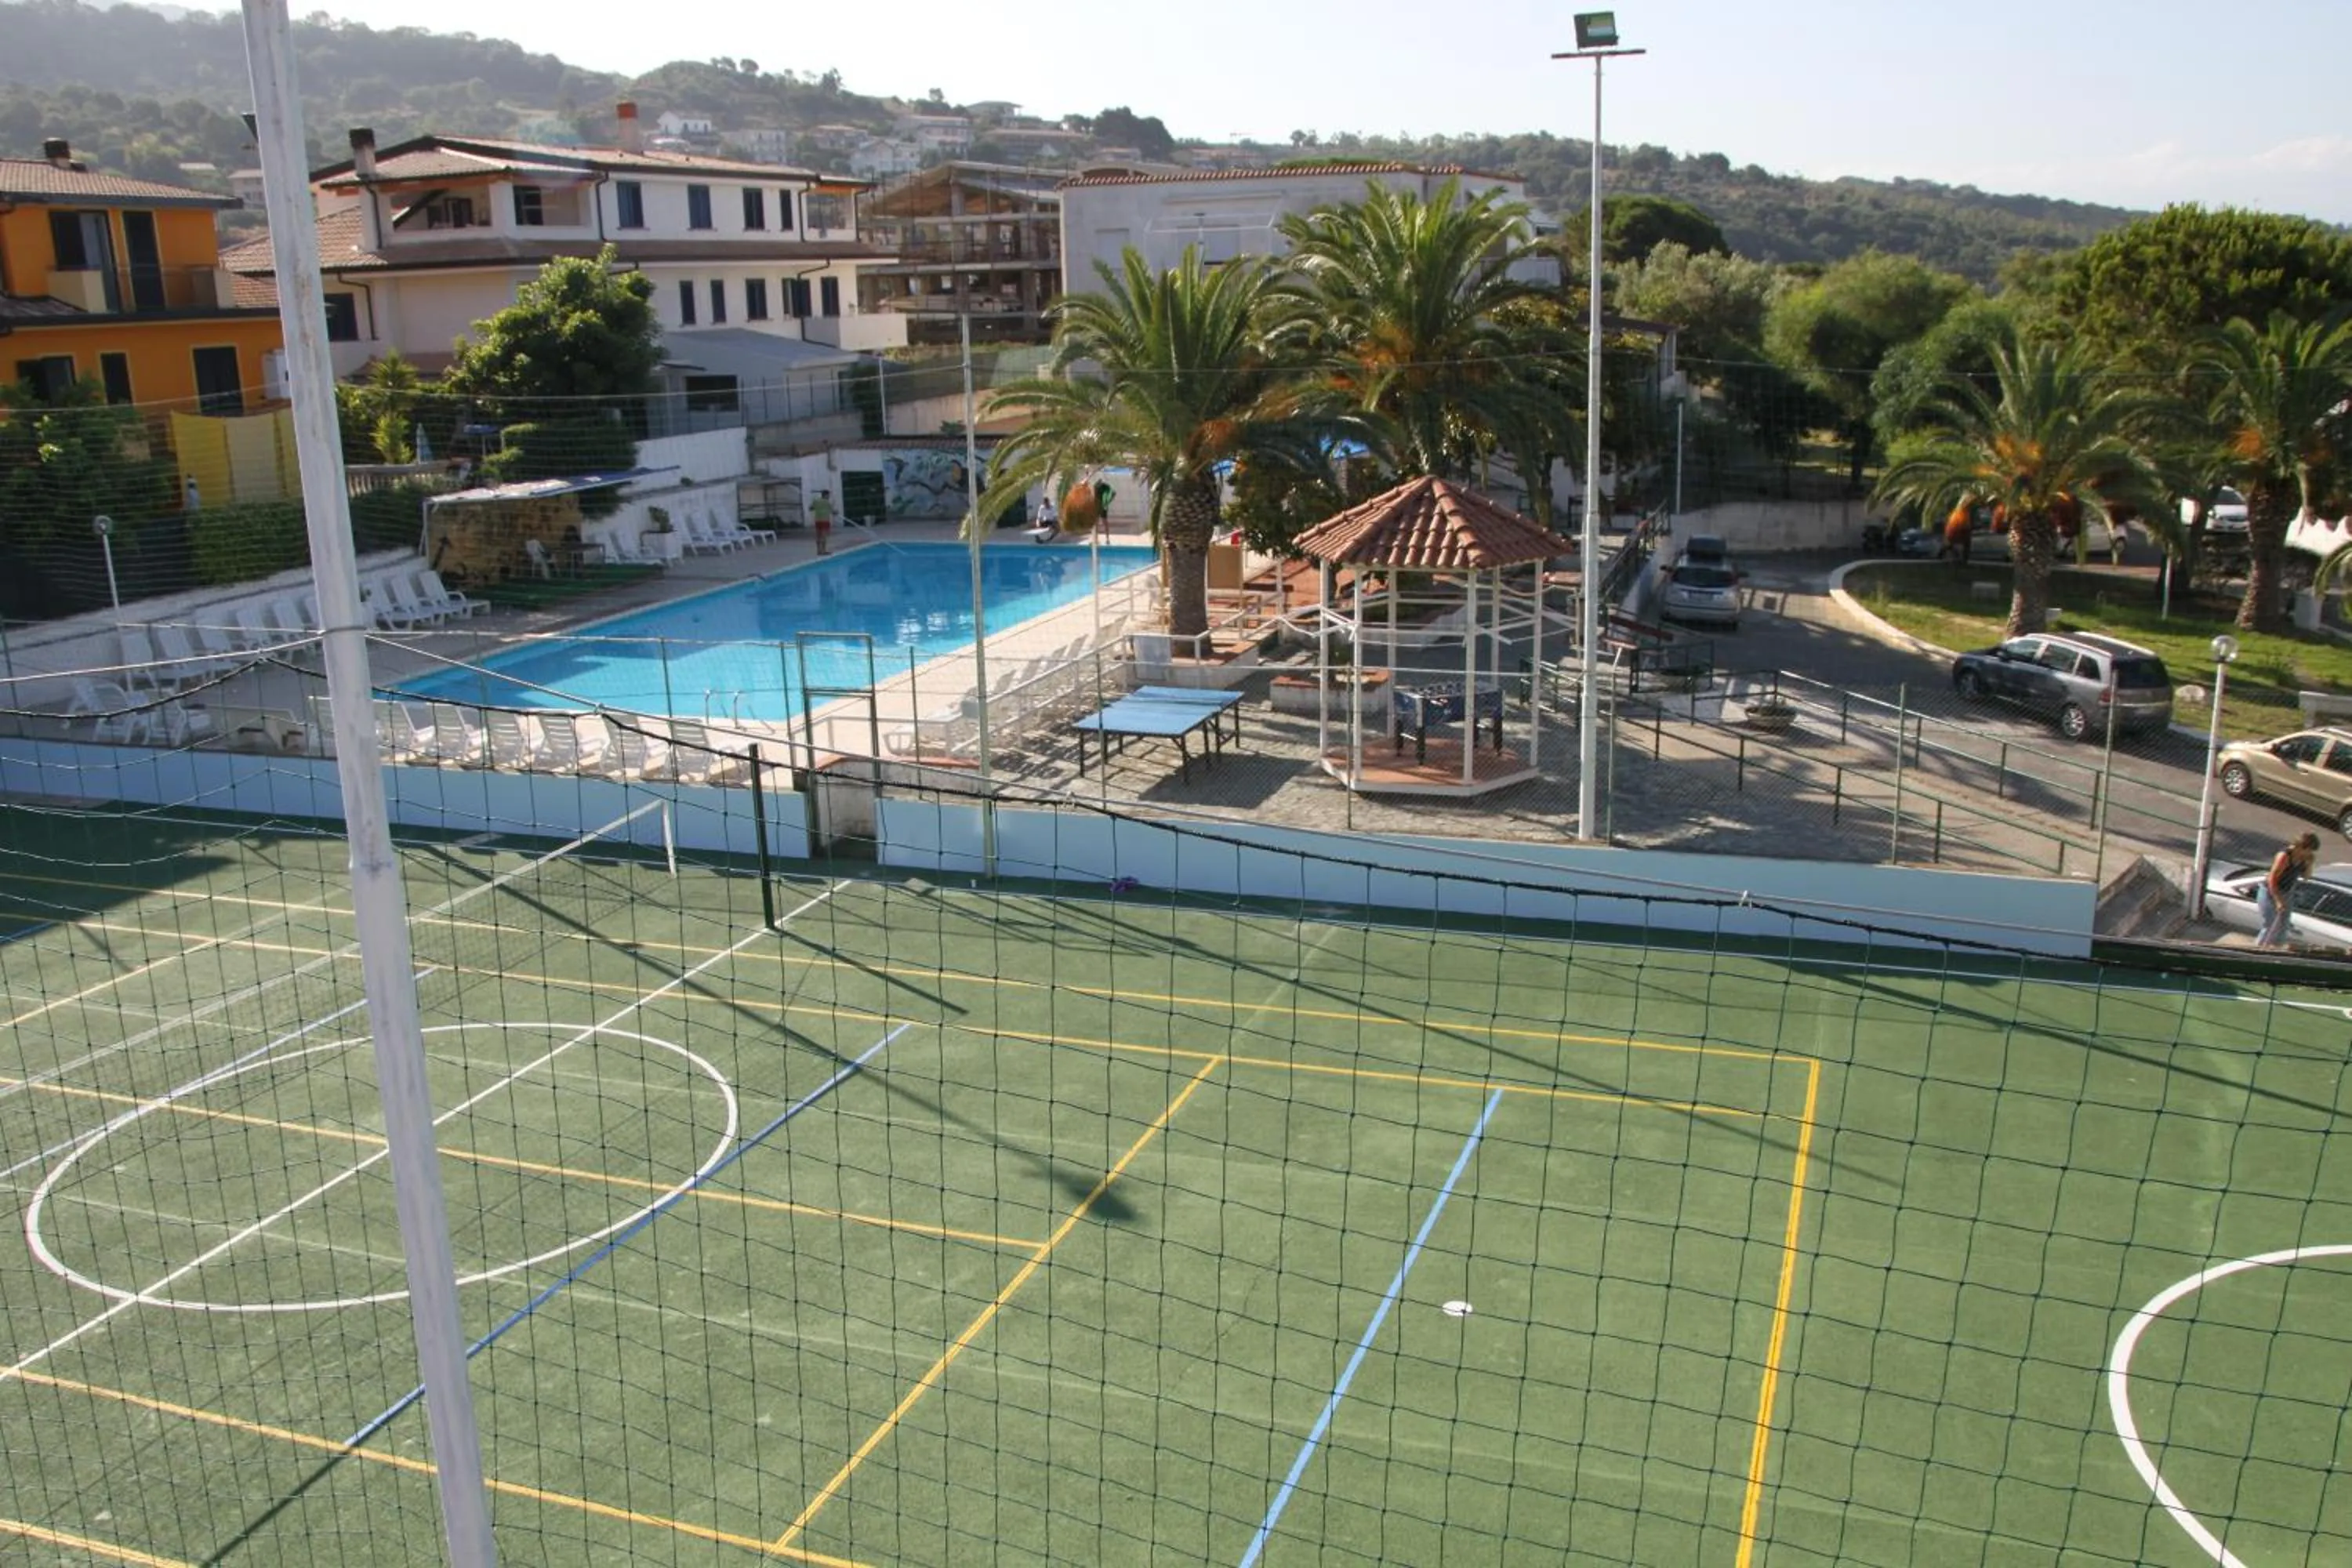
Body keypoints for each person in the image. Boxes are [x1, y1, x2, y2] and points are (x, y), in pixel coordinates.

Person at [2257, 832, 2321, 947]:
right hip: (2270, 891)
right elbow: (2272, 879)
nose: (2310, 853)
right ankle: (2259, 950)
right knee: (2270, 924)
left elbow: (2306, 877)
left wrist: (2310, 864)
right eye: (2310, 850)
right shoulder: (2284, 856)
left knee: (2284, 926)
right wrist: (2278, 901)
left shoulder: (2303, 858)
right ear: (2302, 847)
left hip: (2287, 892)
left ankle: (2276, 950)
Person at [809, 488, 834, 556]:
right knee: (824, 536)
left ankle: (818, 551)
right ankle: (824, 550)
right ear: (826, 495)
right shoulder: (828, 502)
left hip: (818, 520)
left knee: (818, 536)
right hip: (825, 520)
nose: (829, 497)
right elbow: (833, 511)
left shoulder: (816, 501)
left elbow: (810, 508)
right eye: (828, 495)